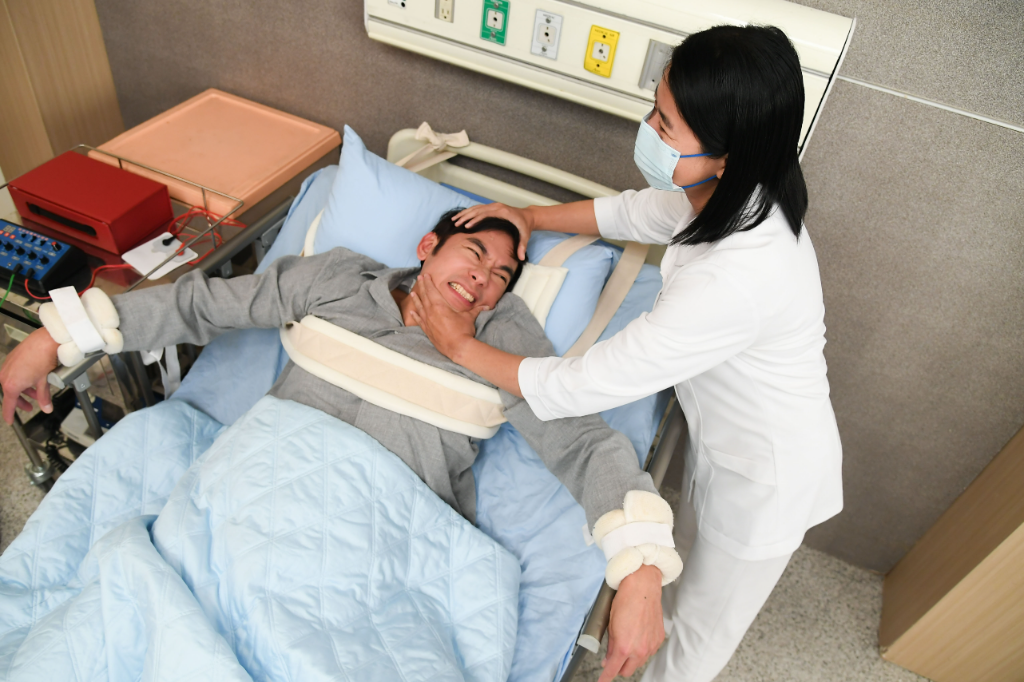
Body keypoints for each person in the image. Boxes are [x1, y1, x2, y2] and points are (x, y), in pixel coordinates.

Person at [0, 210, 674, 678]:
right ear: (427, 247)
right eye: (475, 254)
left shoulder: (504, 337)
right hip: (255, 486)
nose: (484, 279)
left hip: (381, 532)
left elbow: (581, 442)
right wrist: (56, 337)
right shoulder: (340, 281)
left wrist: (640, 567)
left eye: (503, 273)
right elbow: (202, 305)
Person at [408, 26, 844, 682]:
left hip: (767, 478)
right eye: (654, 109)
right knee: (686, 557)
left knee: (694, 637)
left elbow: (578, 387)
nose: (647, 129)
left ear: (726, 156)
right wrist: (530, 217)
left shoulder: (737, 278)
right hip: (725, 444)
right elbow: (640, 214)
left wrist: (459, 344)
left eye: (664, 125)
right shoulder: (732, 192)